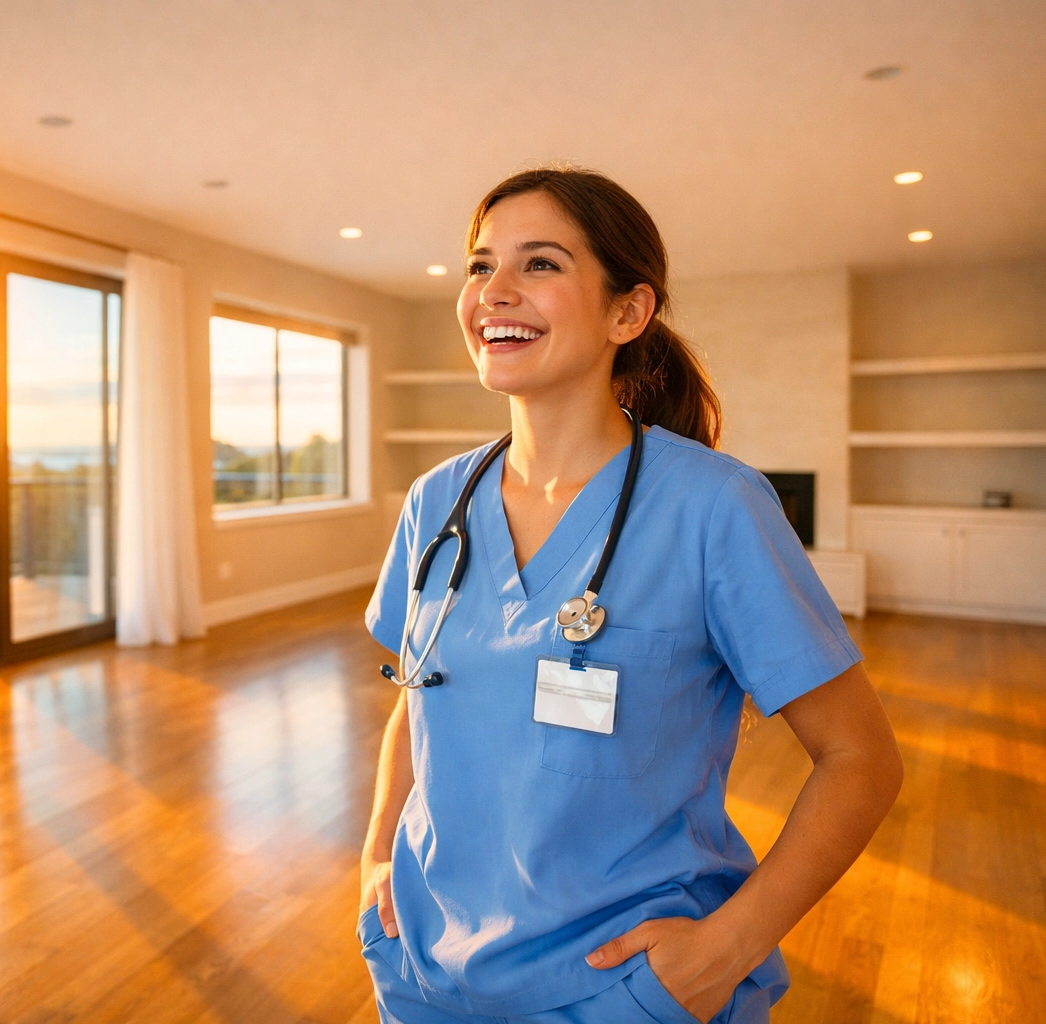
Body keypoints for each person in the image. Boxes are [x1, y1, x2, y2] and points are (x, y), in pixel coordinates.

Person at [359, 168, 903, 1024]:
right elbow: (415, 695)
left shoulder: (714, 508)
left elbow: (861, 760)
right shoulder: (438, 501)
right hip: (426, 969)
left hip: (622, 988)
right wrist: (378, 853)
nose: (494, 291)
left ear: (628, 312)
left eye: (539, 264)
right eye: (478, 266)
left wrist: (724, 952)